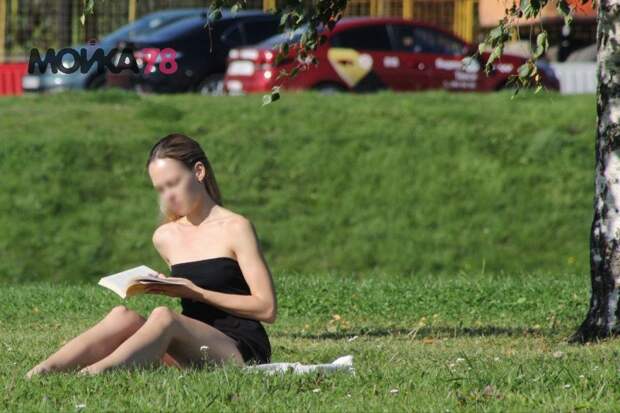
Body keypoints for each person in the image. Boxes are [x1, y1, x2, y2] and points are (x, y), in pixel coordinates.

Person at [25, 133, 277, 378]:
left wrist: (196, 292)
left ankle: (95, 375)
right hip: (190, 345)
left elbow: (266, 308)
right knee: (122, 316)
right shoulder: (165, 237)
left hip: (238, 346)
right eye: (160, 189)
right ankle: (42, 372)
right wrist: (163, 285)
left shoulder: (236, 227)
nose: (168, 196)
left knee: (164, 317)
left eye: (173, 183)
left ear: (199, 172)